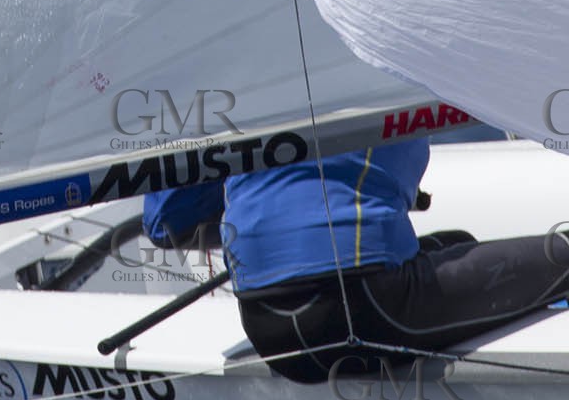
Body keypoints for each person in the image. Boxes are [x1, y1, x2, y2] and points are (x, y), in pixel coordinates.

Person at [144, 137, 569, 383]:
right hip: (371, 308)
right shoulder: (389, 49)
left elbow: (165, 226)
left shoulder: (239, 90)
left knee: (456, 243)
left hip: (267, 327)